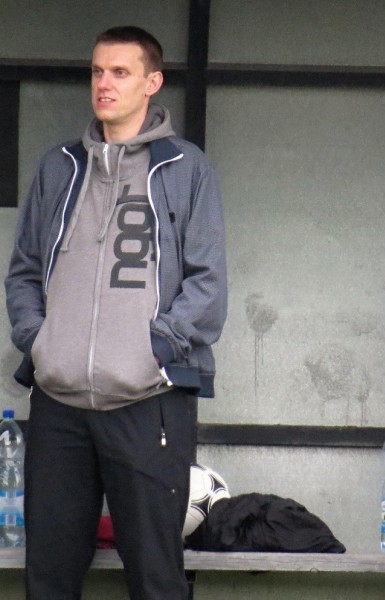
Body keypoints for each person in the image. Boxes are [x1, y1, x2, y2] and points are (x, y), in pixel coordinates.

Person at [5, 25, 227, 599]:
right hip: (59, 405)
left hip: (147, 403)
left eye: (120, 72)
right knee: (48, 579)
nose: (104, 83)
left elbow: (207, 286)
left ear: (152, 83)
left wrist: (153, 352)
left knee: (155, 578)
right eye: (97, 72)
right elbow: (24, 270)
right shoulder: (59, 166)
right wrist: (40, 343)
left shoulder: (187, 168)